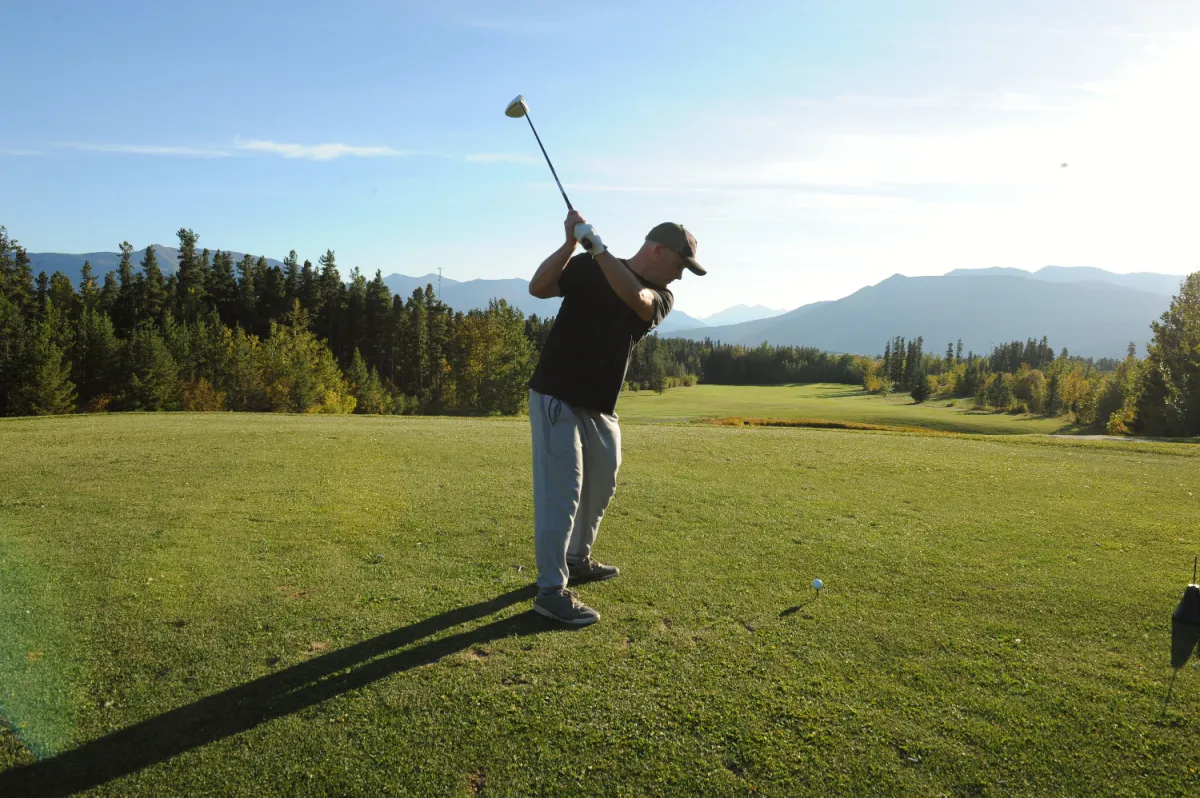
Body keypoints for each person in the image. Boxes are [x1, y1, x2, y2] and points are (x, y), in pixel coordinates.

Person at [526, 210, 706, 625]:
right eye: (681, 264)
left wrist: (598, 249)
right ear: (659, 250)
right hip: (556, 392)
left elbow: (636, 301)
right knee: (562, 493)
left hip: (600, 405)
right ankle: (551, 592)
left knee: (602, 481)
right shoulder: (589, 265)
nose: (680, 276)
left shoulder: (659, 295)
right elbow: (539, 288)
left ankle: (578, 557)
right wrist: (572, 244)